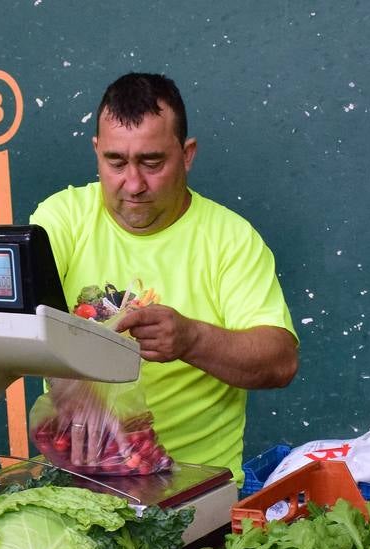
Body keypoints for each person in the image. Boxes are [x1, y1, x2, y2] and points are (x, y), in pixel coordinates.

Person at [30, 73, 299, 482]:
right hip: (74, 473)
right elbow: (17, 318)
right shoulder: (62, 218)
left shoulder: (230, 239)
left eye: (152, 162)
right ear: (96, 152)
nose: (133, 184)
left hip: (194, 485)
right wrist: (73, 386)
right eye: (115, 162)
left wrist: (192, 339)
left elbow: (280, 361)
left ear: (187, 154)